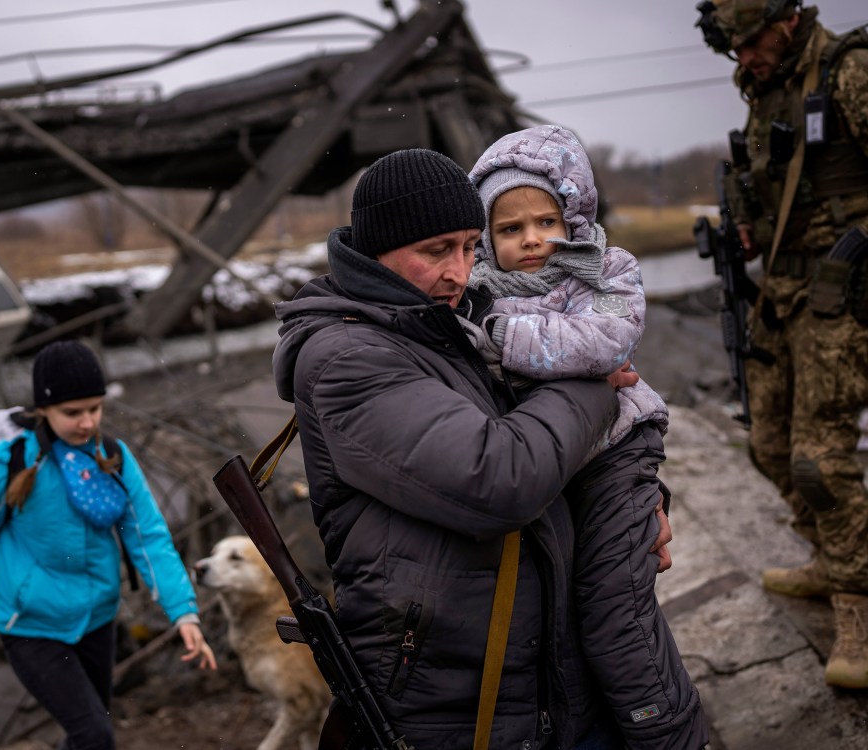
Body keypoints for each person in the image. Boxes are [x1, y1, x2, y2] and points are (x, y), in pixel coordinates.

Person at [272, 147, 670, 749]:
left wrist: (637, 502)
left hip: (538, 679)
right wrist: (596, 379)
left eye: (468, 248)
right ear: (376, 250)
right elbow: (503, 478)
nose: (458, 272)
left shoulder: (446, 321)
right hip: (457, 705)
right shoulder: (346, 358)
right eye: (436, 251)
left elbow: (555, 448)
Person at [463, 124, 707, 749]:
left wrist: (500, 341)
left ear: (572, 214)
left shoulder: (605, 271)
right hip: (555, 465)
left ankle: (672, 734)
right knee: (565, 620)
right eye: (510, 229)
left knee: (614, 612)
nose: (533, 240)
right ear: (487, 239)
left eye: (546, 221)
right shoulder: (479, 294)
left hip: (619, 453)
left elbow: (603, 343)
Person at [696, 0, 868, 689]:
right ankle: (830, 557)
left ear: (786, 20)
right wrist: (750, 229)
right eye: (734, 49)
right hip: (784, 294)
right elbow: (782, 194)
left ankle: (860, 614)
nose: (744, 59)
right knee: (765, 442)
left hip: (847, 294)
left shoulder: (860, 76)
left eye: (751, 43)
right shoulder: (765, 89)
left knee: (819, 459)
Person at [0, 340, 216, 750]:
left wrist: (183, 613)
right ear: (43, 410)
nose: (87, 422)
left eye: (95, 408)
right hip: (31, 624)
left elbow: (150, 538)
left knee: (86, 737)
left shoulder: (113, 457)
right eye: (72, 413)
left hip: (97, 619)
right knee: (94, 735)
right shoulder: (13, 463)